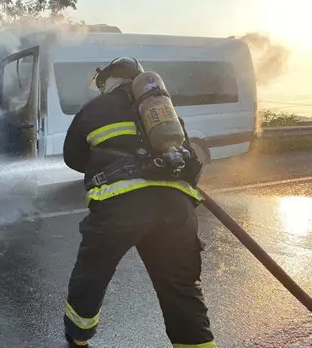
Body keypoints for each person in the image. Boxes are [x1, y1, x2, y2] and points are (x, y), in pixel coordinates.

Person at [62, 57, 217, 348]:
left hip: (120, 205)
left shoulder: (96, 108)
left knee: (92, 276)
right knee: (180, 289)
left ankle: (78, 339)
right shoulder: (164, 113)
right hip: (175, 207)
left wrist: (102, 162)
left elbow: (73, 157)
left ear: (109, 80)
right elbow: (188, 160)